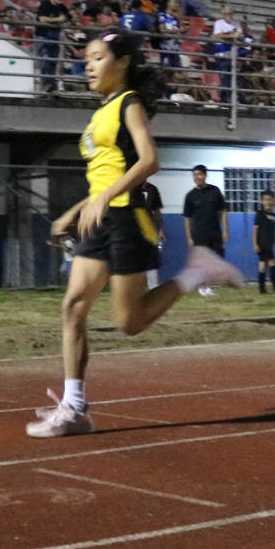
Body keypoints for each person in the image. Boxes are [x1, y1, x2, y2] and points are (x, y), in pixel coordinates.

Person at [27, 31, 242, 438]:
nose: (87, 65)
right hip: (100, 220)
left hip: (128, 220)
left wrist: (105, 197)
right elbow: (101, 177)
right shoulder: (99, 112)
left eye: (96, 57)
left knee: (129, 322)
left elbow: (149, 161)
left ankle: (195, 272)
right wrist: (74, 212)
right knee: (73, 307)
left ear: (121, 62)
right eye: (85, 59)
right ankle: (75, 409)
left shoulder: (129, 104)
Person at [182, 165, 229, 298]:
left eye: (200, 174)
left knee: (217, 259)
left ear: (205, 175)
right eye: (195, 175)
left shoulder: (215, 191)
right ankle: (203, 287)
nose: (197, 177)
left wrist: (225, 231)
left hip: (215, 232)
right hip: (199, 233)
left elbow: (223, 211)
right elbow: (187, 219)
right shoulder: (190, 196)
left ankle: (208, 285)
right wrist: (189, 237)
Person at [253, 189, 275, 295]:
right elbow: (255, 229)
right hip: (263, 244)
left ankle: (262, 289)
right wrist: (255, 244)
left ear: (274, 201)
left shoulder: (273, 215)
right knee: (272, 263)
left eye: (270, 200)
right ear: (262, 201)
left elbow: (273, 232)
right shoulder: (260, 213)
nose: (268, 202)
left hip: (270, 244)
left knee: (262, 265)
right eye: (265, 200)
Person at [139, 180, 166, 289]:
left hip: (149, 229)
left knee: (151, 257)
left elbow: (157, 211)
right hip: (132, 228)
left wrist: (160, 229)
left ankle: (153, 287)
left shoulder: (152, 189)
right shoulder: (130, 187)